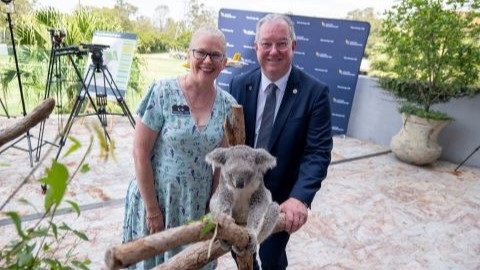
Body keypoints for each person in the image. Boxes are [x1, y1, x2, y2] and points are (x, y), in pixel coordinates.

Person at [122, 26, 237, 269]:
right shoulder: (162, 93)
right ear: (189, 55)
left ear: (224, 62)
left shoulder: (228, 105)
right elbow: (140, 152)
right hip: (157, 202)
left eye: (215, 55)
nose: (207, 61)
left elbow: (222, 166)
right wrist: (153, 211)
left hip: (197, 207)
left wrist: (213, 208)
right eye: (201, 53)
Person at [228, 13, 333, 270]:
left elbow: (317, 152)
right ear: (256, 47)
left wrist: (300, 197)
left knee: (272, 257)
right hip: (242, 195)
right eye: (266, 43)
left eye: (282, 43)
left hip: (282, 199)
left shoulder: (315, 93)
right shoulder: (240, 84)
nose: (273, 51)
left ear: (293, 46)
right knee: (242, 251)